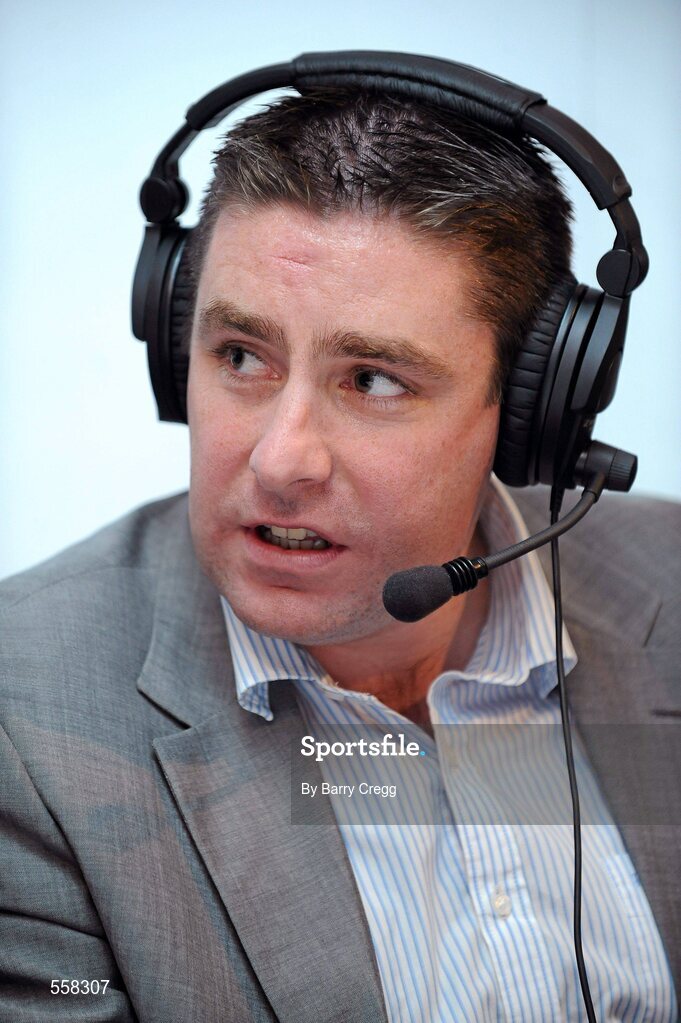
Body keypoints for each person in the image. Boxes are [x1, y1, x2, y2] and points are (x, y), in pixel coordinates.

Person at [1, 80, 679, 1023]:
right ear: (174, 349)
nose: (281, 461)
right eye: (241, 355)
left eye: (372, 378)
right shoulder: (24, 722)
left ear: (527, 414)